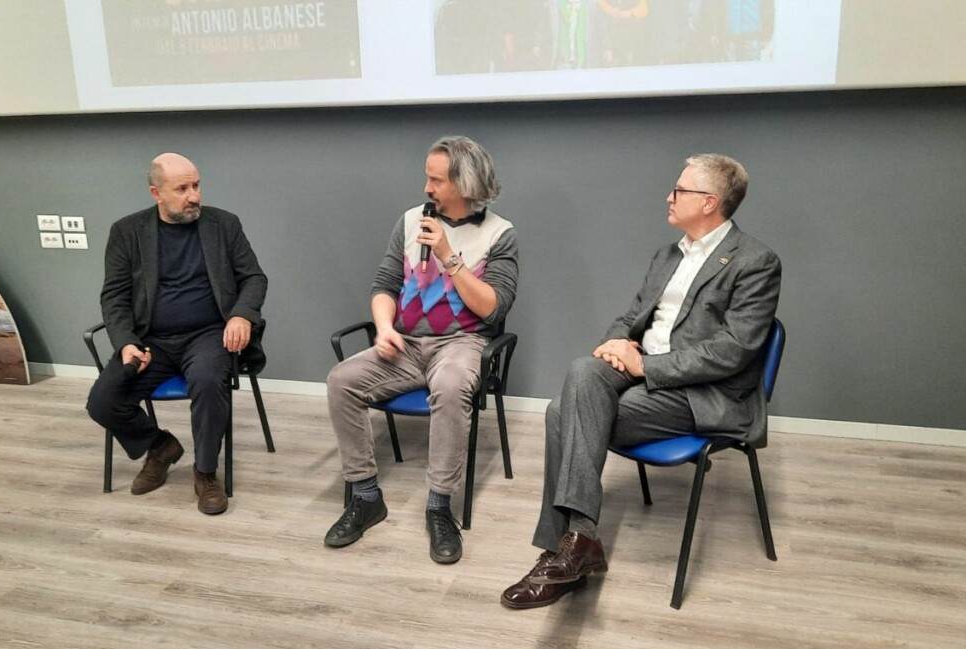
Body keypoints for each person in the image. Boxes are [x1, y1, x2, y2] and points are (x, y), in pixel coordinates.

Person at [501, 153, 781, 608]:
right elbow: (631, 316)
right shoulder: (667, 255)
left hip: (702, 394)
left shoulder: (756, 261)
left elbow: (733, 352)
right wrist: (615, 344)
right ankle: (579, 544)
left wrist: (645, 368)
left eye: (679, 190)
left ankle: (562, 551)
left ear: (709, 202)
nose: (668, 197)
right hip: (641, 373)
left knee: (560, 414)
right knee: (581, 371)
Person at [325, 135, 519, 564]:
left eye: (435, 180)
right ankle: (365, 495)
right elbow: (384, 285)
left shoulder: (499, 234)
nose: (427, 189)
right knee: (341, 381)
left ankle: (438, 506)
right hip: (407, 343)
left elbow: (492, 307)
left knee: (451, 388)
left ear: (464, 184)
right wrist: (382, 327)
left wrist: (450, 255)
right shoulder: (412, 221)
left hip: (462, 343)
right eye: (426, 178)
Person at [86, 153, 267, 515]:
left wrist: (242, 316)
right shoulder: (127, 232)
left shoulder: (224, 225)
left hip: (208, 335)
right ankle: (160, 446)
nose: (194, 196)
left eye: (196, 185)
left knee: (208, 379)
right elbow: (114, 296)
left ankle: (205, 473)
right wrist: (126, 343)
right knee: (102, 401)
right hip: (150, 341)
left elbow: (253, 277)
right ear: (157, 193)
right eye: (182, 189)